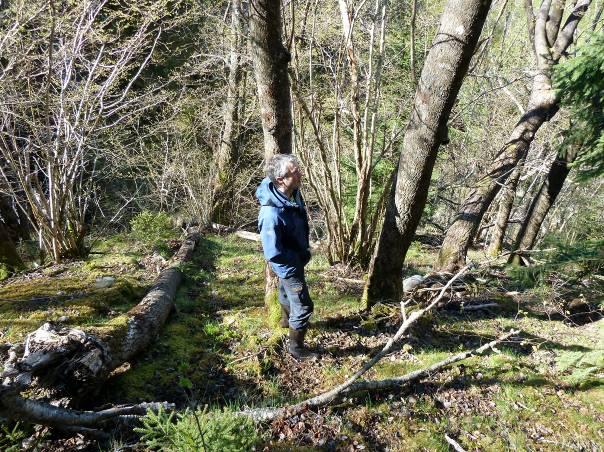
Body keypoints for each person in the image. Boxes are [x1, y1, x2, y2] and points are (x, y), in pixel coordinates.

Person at [256, 154, 318, 361]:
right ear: (281, 179)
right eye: (295, 171)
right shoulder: (271, 214)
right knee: (303, 305)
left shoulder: (291, 193)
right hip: (289, 265)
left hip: (296, 258)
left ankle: (285, 322)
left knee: (284, 294)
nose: (300, 173)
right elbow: (273, 252)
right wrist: (297, 260)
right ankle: (296, 348)